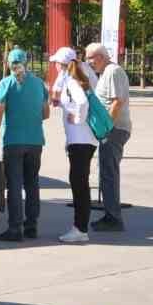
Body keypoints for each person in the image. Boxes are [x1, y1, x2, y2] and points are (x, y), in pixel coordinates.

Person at [0, 47, 49, 242]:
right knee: (32, 184)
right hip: (35, 141)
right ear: (27, 63)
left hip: (13, 141)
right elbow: (46, 113)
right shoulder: (39, 83)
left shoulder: (6, 83)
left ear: (8, 63)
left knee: (14, 185)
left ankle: (15, 229)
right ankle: (32, 226)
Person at [49, 47, 97, 244]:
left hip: (80, 139)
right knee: (81, 183)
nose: (55, 66)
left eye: (57, 63)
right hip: (86, 139)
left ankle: (80, 229)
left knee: (79, 185)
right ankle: (80, 227)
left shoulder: (72, 79)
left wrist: (77, 117)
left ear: (63, 64)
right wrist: (63, 105)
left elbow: (83, 102)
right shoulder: (84, 72)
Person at [85, 42, 131, 232]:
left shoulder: (113, 71)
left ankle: (113, 218)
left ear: (101, 57)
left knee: (109, 174)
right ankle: (110, 215)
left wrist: (106, 128)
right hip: (111, 130)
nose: (88, 62)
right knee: (107, 173)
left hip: (114, 130)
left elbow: (117, 102)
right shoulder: (106, 73)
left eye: (91, 58)